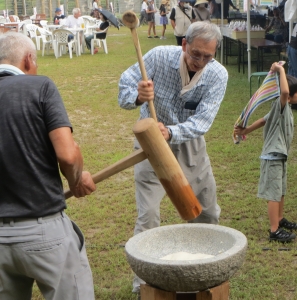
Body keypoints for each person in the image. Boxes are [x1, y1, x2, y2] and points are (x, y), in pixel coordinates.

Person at [118, 21, 228, 295]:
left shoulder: (217, 74)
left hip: (189, 145)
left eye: (208, 57)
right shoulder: (158, 57)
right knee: (148, 216)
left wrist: (171, 132)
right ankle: (143, 282)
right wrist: (138, 96)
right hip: (149, 147)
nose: (200, 62)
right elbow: (124, 87)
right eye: (196, 54)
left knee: (206, 212)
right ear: (184, 45)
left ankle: (203, 270)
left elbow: (203, 121)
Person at [0, 32, 96, 300]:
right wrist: (76, 179)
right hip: (43, 231)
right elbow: (67, 155)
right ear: (29, 59)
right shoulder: (40, 87)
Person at [234, 63, 297, 243]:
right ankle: (274, 230)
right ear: (289, 95)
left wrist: (245, 131)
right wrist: (281, 71)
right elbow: (284, 93)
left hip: (280, 156)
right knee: (274, 193)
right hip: (273, 156)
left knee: (281, 191)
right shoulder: (282, 104)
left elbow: (263, 120)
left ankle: (279, 219)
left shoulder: (281, 109)